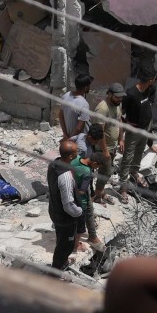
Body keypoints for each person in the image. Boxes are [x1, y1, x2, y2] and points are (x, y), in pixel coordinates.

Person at [49, 137, 90, 270]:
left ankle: (63, 262)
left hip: (54, 209)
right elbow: (68, 204)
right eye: (77, 152)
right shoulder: (65, 176)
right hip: (65, 216)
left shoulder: (54, 164)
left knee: (61, 239)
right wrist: (79, 212)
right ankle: (57, 271)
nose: (79, 153)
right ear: (71, 156)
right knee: (65, 246)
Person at [116, 73, 157, 191]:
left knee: (139, 151)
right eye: (155, 79)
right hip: (133, 130)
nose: (156, 81)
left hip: (145, 127)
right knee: (127, 157)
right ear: (150, 80)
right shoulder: (130, 94)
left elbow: (148, 106)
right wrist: (121, 137)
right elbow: (121, 115)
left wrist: (150, 143)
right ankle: (123, 187)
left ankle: (134, 171)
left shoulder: (151, 88)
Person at [60, 76, 93, 150]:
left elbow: (60, 115)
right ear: (86, 87)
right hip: (79, 140)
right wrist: (69, 140)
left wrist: (65, 135)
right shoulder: (84, 104)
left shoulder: (66, 95)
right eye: (89, 86)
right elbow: (78, 127)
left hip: (68, 136)